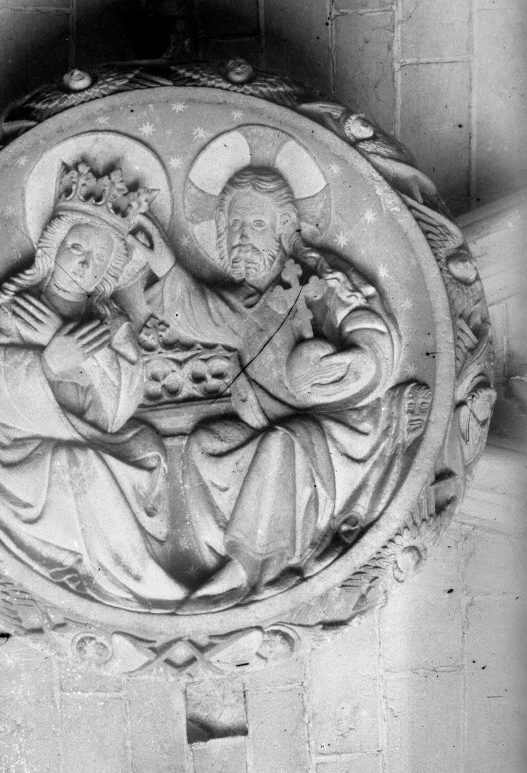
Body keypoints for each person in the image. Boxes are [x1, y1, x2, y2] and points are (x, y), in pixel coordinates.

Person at [134, 165, 413, 601]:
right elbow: (196, 311)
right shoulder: (246, 302)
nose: (243, 236)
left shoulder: (311, 280)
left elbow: (368, 329)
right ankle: (224, 555)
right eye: (234, 226)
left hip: (339, 430)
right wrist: (165, 264)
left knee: (282, 445)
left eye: (257, 223)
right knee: (207, 444)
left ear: (284, 228)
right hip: (277, 426)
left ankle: (257, 567)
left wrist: (354, 361)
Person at [0, 163, 188, 608]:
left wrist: (85, 356)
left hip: (91, 435)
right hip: (24, 451)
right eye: (76, 247)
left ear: (106, 273)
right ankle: (141, 581)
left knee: (148, 448)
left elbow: (121, 404)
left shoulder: (110, 323)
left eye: (97, 259)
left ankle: (128, 566)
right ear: (54, 247)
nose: (83, 262)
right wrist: (45, 364)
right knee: (81, 466)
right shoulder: (14, 311)